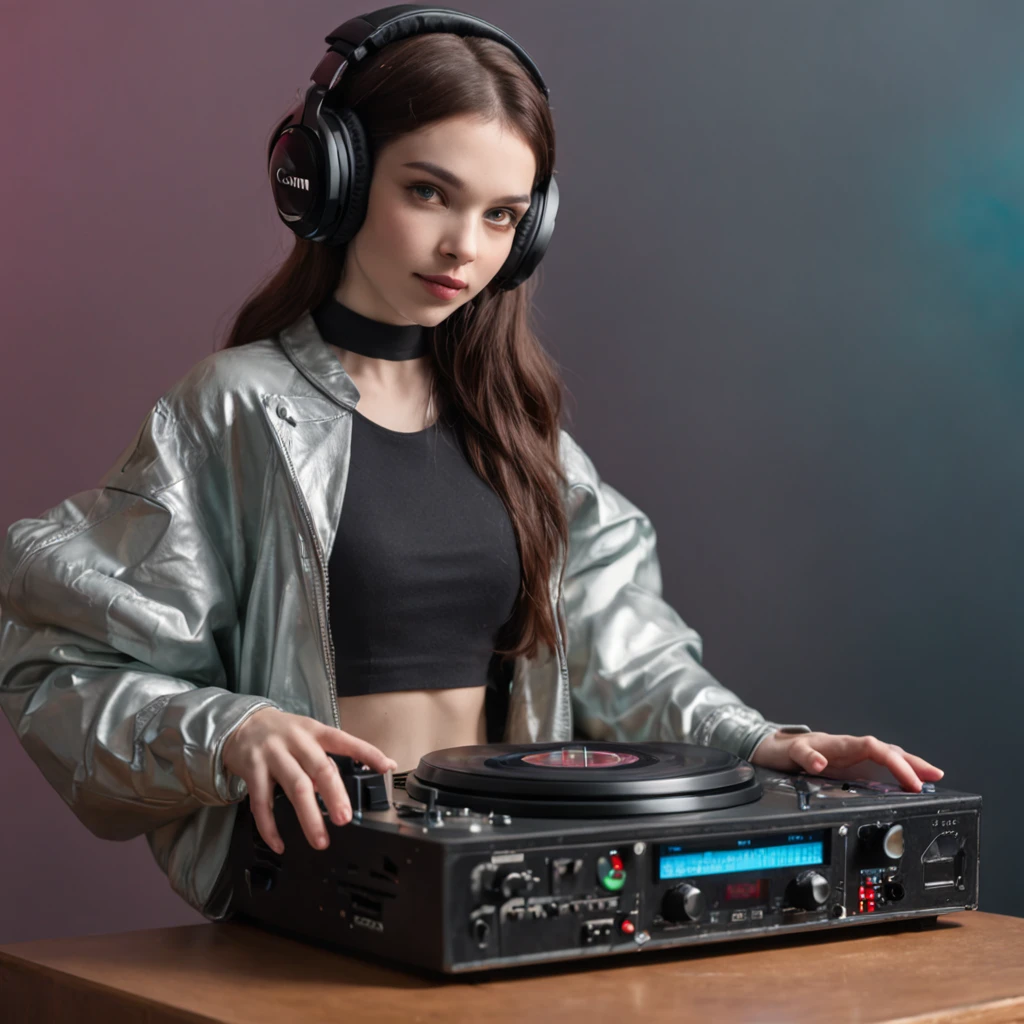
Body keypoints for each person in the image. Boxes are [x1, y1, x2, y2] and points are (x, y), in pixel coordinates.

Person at [0, 8, 942, 921]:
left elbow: (629, 660)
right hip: (330, 881)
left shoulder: (520, 434)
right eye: (427, 193)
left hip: (505, 872)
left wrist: (769, 744)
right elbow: (61, 666)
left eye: (502, 217)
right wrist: (234, 730)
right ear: (333, 178)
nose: (464, 249)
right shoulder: (236, 409)